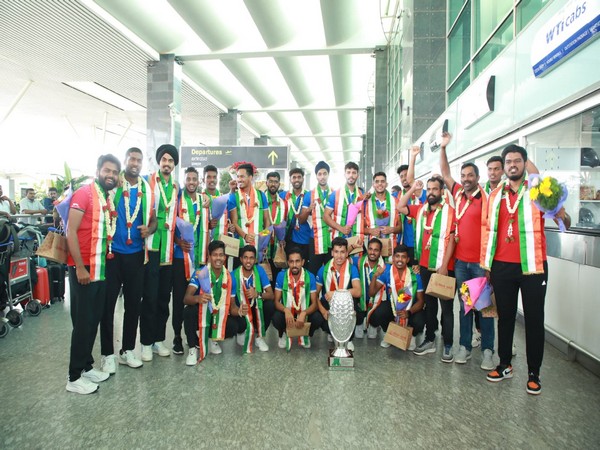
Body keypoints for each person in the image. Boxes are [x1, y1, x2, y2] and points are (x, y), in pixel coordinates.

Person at [481, 144, 570, 395]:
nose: (512, 165)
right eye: (508, 161)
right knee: (505, 317)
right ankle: (504, 363)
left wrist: (561, 213)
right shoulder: (495, 194)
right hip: (501, 267)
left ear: (525, 163)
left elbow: (566, 221)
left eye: (517, 161)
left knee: (533, 319)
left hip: (533, 267)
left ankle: (534, 372)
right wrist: (487, 265)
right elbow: (487, 231)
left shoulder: (538, 192)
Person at [65, 154, 120, 394]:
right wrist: (79, 266)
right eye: (107, 170)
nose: (111, 175)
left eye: (114, 172)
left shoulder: (107, 198)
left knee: (92, 321)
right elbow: (71, 230)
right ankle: (74, 377)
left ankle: (86, 367)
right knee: (83, 323)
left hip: (100, 270)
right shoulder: (84, 194)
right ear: (98, 170)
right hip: (84, 269)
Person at [439, 133, 494, 370]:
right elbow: (445, 173)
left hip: (480, 263)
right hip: (462, 263)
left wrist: (490, 264)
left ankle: (489, 351)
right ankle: (465, 347)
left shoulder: (487, 199)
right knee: (464, 306)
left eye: (470, 175)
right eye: (464, 176)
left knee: (485, 308)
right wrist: (443, 148)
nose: (466, 179)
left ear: (478, 177)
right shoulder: (459, 194)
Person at [99, 147, 156, 373]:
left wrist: (148, 229)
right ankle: (107, 354)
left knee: (133, 305)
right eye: (131, 159)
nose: (135, 163)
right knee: (108, 306)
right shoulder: (113, 184)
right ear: (125, 161)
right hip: (112, 254)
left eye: (139, 160)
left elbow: (154, 221)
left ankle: (127, 350)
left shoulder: (146, 189)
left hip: (136, 257)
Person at [398, 176, 456, 362]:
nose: (431, 192)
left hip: (444, 268)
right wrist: (413, 187)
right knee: (430, 306)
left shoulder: (451, 212)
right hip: (424, 266)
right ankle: (430, 339)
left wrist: (445, 266)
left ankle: (448, 345)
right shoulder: (420, 210)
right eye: (429, 189)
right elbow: (400, 206)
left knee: (446, 309)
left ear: (442, 192)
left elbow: (453, 239)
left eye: (435, 189)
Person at [140, 144, 179, 361]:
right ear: (158, 162)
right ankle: (145, 342)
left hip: (169, 249)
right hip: (151, 247)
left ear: (174, 165)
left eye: (171, 161)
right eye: (164, 160)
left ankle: (158, 340)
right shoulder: (147, 182)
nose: (167, 164)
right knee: (150, 296)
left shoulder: (175, 187)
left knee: (164, 297)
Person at [183, 240, 247, 365]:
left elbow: (232, 306)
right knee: (188, 311)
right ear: (209, 256)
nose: (218, 258)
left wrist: (238, 311)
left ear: (225, 256)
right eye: (215, 255)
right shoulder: (200, 274)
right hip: (201, 313)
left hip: (218, 314)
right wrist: (198, 298)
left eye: (221, 255)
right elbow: (186, 298)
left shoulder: (229, 277)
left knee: (236, 325)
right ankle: (192, 349)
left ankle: (213, 339)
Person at [171, 167, 210, 355]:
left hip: (201, 259)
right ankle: (177, 337)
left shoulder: (204, 200)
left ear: (199, 181)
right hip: (181, 258)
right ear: (184, 180)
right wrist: (179, 241)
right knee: (179, 298)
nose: (192, 182)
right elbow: (170, 226)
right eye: (189, 179)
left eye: (195, 179)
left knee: (198, 297)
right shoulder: (177, 199)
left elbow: (207, 226)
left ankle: (193, 335)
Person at [368, 244, 426, 350]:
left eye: (403, 257)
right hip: (394, 308)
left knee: (420, 320)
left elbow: (421, 301)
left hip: (410, 309)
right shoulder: (387, 272)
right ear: (393, 258)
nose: (400, 259)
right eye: (397, 256)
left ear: (408, 259)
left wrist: (408, 313)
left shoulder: (415, 275)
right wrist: (375, 276)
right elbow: (371, 293)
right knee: (379, 312)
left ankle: (411, 336)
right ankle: (389, 333)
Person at [272, 246, 323, 351]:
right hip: (288, 310)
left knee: (318, 318)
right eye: (291, 262)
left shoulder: (310, 277)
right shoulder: (281, 276)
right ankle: (283, 334)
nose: (294, 265)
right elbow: (276, 301)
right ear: (288, 262)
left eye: (297, 261)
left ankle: (306, 334)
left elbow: (314, 304)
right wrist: (286, 310)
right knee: (276, 317)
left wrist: (304, 313)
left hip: (303, 311)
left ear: (303, 262)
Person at [315, 237, 362, 351]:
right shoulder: (324, 270)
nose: (339, 256)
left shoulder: (352, 269)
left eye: (342, 252)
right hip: (329, 305)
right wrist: (323, 311)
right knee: (317, 317)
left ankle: (348, 339)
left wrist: (336, 293)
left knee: (355, 309)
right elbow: (314, 295)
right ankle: (331, 331)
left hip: (345, 306)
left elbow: (358, 291)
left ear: (347, 253)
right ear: (332, 253)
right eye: (336, 252)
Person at [232, 245, 275, 353]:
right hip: (242, 309)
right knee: (236, 315)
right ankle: (241, 331)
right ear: (241, 259)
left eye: (251, 258)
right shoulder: (233, 275)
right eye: (245, 257)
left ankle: (259, 337)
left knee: (270, 305)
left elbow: (271, 295)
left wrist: (258, 294)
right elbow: (230, 303)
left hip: (256, 307)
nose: (248, 261)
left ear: (255, 260)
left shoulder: (259, 271)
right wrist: (238, 310)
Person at [228, 163, 271, 261]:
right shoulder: (233, 197)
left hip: (258, 245)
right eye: (238, 176)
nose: (239, 179)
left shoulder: (261, 196)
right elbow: (234, 221)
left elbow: (267, 221)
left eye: (242, 176)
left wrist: (264, 241)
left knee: (256, 274)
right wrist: (245, 236)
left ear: (250, 177)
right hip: (240, 245)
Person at [323, 162, 365, 256]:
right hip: (339, 240)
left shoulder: (362, 195)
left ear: (358, 175)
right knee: (338, 268)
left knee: (353, 267)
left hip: (356, 240)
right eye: (348, 172)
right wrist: (341, 228)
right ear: (344, 175)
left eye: (354, 173)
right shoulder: (336, 194)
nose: (351, 175)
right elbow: (325, 216)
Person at [300, 161, 332, 275]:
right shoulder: (310, 195)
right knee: (313, 272)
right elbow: (301, 220)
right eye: (319, 174)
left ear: (328, 175)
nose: (322, 177)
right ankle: (313, 293)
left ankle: (328, 293)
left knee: (330, 272)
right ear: (316, 176)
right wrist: (308, 209)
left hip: (331, 239)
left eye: (325, 173)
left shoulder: (335, 193)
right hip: (315, 239)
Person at [363, 172, 402, 259]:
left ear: (386, 184)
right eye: (377, 181)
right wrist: (370, 231)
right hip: (373, 250)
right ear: (373, 184)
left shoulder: (395, 201)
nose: (380, 184)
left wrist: (392, 229)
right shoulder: (366, 202)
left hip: (391, 248)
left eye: (382, 181)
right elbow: (360, 228)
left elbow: (400, 227)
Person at [355, 238, 386, 339]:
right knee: (352, 302)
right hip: (362, 298)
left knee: (381, 311)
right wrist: (353, 247)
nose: (372, 252)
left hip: (376, 300)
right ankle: (359, 322)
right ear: (367, 249)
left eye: (376, 250)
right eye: (370, 249)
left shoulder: (385, 267)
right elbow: (343, 257)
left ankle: (374, 324)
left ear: (380, 252)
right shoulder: (359, 261)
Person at [395, 162, 426, 264]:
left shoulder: (422, 194)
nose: (404, 178)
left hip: (420, 243)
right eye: (401, 176)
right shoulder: (396, 196)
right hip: (404, 243)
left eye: (406, 175)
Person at [281, 168, 311, 263]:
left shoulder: (309, 195)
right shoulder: (283, 195)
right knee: (290, 266)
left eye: (299, 177)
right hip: (289, 238)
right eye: (294, 177)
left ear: (303, 179)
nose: (296, 179)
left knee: (304, 266)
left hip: (305, 237)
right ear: (290, 179)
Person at [265, 171, 288, 281]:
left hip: (278, 246)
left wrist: (283, 238)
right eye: (270, 181)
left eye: (276, 182)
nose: (273, 184)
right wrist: (263, 238)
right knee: (263, 275)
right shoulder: (260, 201)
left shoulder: (284, 203)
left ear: (279, 184)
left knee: (276, 275)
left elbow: (285, 222)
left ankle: (276, 297)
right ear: (266, 183)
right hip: (263, 245)